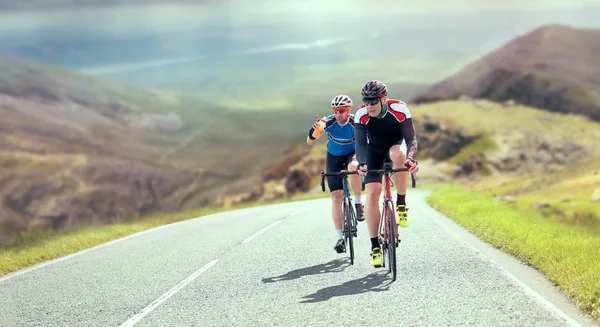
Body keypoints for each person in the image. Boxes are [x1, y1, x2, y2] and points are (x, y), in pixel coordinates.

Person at [354, 80, 419, 267]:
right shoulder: (361, 114)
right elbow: (359, 144)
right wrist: (362, 163)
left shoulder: (400, 109)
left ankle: (401, 204)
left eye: (373, 101)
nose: (369, 105)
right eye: (366, 101)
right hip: (373, 151)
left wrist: (412, 159)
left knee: (398, 154)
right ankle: (375, 246)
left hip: (395, 146)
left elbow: (411, 139)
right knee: (373, 194)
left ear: (384, 99)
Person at [307, 94, 365, 253]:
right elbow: (309, 141)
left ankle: (359, 203)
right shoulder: (328, 122)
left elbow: (367, 140)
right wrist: (315, 131)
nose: (338, 114)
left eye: (341, 111)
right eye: (335, 111)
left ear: (348, 110)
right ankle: (340, 237)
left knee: (353, 167)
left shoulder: (355, 122)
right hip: (333, 156)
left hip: (352, 153)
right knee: (336, 197)